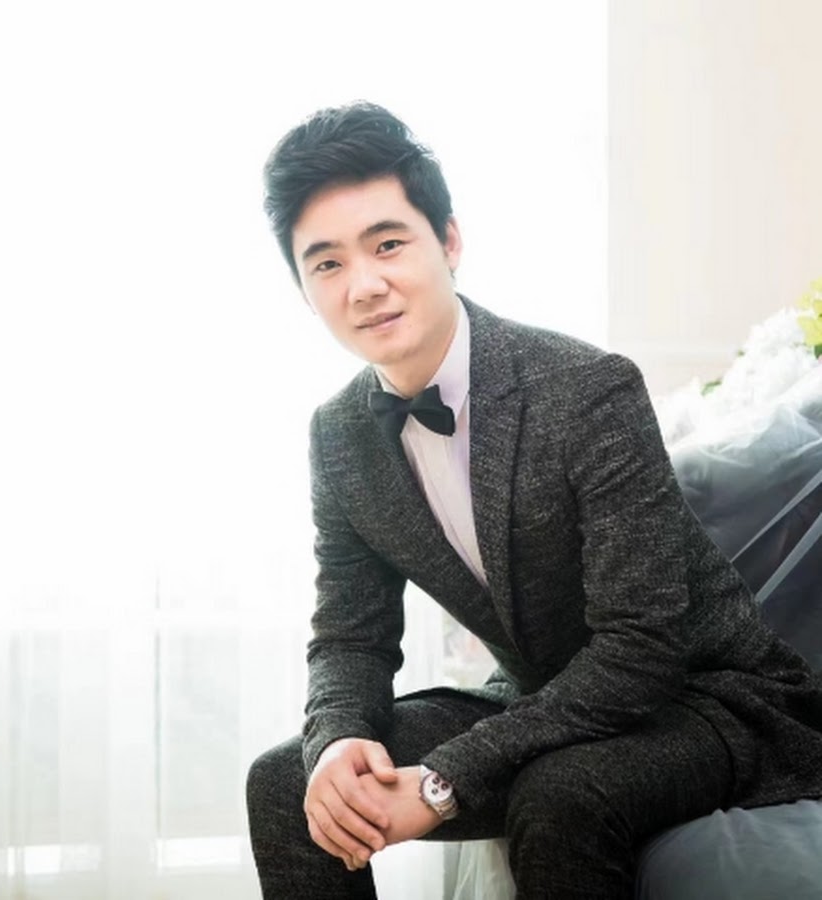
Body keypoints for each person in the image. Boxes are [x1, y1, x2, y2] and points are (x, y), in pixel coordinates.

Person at [246, 101, 822, 899]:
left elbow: (643, 647)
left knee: (561, 796)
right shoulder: (338, 434)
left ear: (449, 242)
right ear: (304, 290)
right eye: (327, 264)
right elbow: (350, 634)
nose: (366, 285)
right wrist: (339, 739)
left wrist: (444, 779)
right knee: (290, 783)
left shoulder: (587, 390)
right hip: (542, 696)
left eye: (388, 244)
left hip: (703, 699)